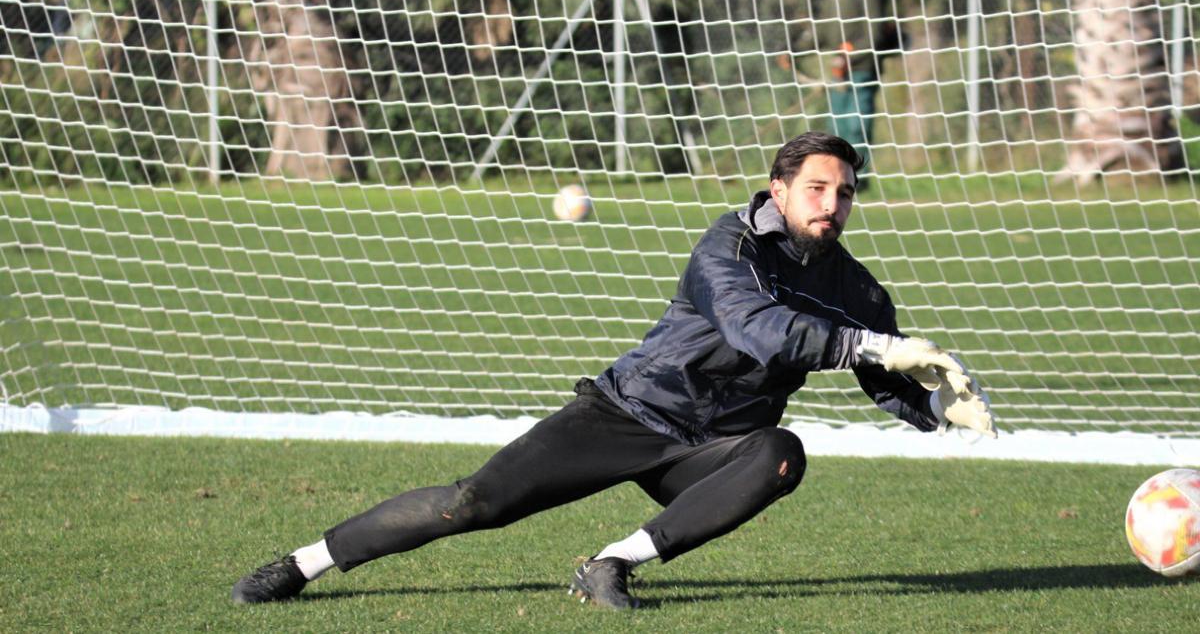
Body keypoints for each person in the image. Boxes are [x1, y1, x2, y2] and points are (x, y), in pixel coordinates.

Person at [230, 132, 996, 610]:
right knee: (471, 503)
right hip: (626, 413)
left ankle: (610, 564)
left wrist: (936, 409)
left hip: (711, 447)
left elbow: (884, 378)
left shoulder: (856, 287)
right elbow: (759, 329)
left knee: (781, 453)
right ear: (779, 191)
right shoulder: (726, 247)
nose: (832, 204)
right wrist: (876, 347)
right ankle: (301, 563)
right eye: (817, 188)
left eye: (845, 193)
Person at [811, 0, 904, 169]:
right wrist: (793, 49)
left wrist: (849, 57)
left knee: (857, 126)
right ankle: (836, 175)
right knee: (836, 127)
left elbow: (875, 34)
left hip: (863, 69)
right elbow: (821, 32)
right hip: (838, 72)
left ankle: (858, 177)